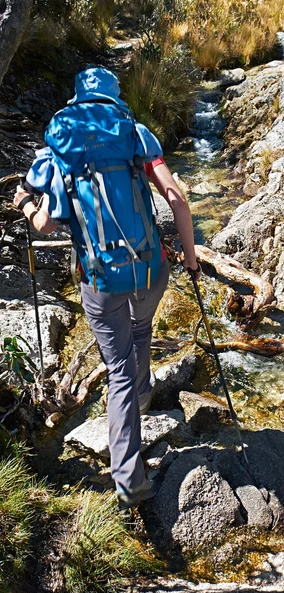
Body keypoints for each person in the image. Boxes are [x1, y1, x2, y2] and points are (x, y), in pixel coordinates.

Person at [13, 67, 201, 510]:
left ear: (77, 100)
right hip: (151, 270)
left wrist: (23, 204)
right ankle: (142, 394)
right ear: (115, 98)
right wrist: (190, 257)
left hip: (99, 279)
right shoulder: (135, 135)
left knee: (116, 367)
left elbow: (44, 224)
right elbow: (175, 199)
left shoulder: (60, 148)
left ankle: (129, 479)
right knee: (142, 329)